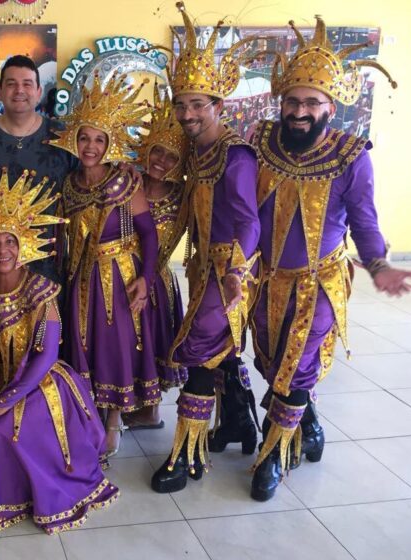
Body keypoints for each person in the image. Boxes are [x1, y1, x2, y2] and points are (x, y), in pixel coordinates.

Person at [248, 16, 411, 502]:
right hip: (263, 280)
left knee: (298, 365)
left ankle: (272, 455)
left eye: (311, 102)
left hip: (316, 283)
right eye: (292, 101)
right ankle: (309, 417)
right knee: (269, 360)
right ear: (280, 103)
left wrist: (379, 264)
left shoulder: (352, 155)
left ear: (331, 105)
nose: (299, 111)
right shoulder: (260, 143)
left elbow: (364, 220)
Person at [0, 162, 118, 539]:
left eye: (10, 240)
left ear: (24, 245)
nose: (2, 249)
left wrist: (4, 401)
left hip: (39, 388)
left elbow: (45, 359)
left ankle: (18, 495)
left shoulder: (43, 292)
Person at [152, 2, 262, 494]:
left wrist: (237, 272)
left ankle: (186, 454)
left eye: (199, 105)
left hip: (228, 273)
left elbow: (248, 222)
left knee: (199, 349)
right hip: (202, 268)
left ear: (220, 106)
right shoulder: (199, 153)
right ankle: (239, 420)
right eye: (183, 106)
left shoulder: (235, 155)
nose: (189, 114)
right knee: (221, 348)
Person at [48, 73, 165, 458]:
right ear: (74, 140)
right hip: (81, 277)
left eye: (100, 139)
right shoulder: (68, 185)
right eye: (85, 137)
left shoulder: (125, 182)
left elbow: (148, 234)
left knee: (115, 346)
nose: (91, 146)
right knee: (87, 344)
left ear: (111, 143)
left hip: (119, 275)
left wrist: (145, 280)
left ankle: (114, 420)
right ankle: (91, 412)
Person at [0, 55, 76, 283]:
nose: (19, 90)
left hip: (50, 265)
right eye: (11, 84)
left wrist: (124, 171)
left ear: (39, 91)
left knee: (49, 320)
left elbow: (94, 178)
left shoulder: (63, 138)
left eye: (27, 84)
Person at [124, 90, 189, 430]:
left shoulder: (184, 198)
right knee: (128, 341)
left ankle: (150, 410)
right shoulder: (126, 184)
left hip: (156, 282)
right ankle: (127, 401)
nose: (161, 161)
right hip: (119, 277)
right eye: (157, 151)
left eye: (172, 157)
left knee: (150, 341)